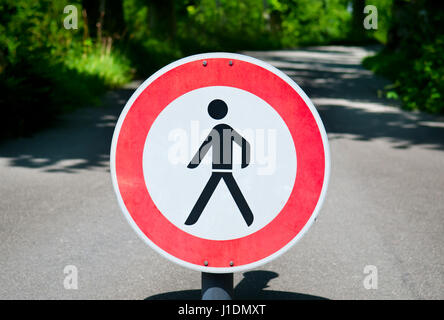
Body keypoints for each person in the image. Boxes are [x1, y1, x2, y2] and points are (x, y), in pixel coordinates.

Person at [185, 99, 254, 226]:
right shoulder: (225, 129)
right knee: (228, 192)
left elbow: (204, 147)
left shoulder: (218, 130)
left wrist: (194, 163)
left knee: (209, 193)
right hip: (222, 168)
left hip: (220, 168)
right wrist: (245, 162)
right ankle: (249, 218)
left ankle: (192, 219)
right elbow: (245, 144)